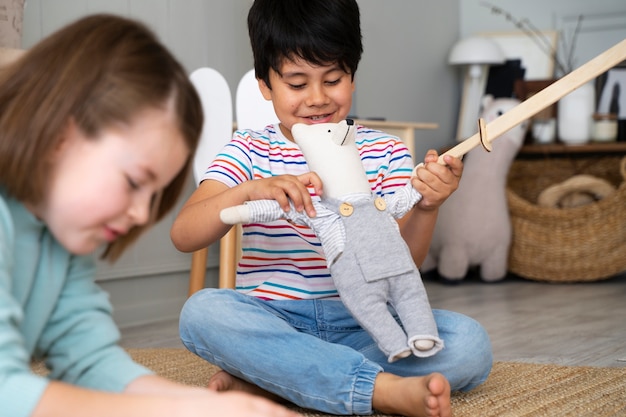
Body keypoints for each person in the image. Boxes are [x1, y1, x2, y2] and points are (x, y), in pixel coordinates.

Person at [172, 1, 493, 416]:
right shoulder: (248, 150)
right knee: (201, 313)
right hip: (274, 320)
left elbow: (402, 262)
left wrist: (428, 206)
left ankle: (277, 379)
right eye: (297, 83)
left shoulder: (386, 151)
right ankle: (376, 390)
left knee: (469, 344)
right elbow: (184, 234)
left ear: (352, 76)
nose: (318, 98)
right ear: (265, 85)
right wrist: (248, 191)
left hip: (366, 326)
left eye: (333, 79)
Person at [0, 14, 300, 417]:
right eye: (132, 180)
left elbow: (90, 361)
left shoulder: (58, 238)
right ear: (60, 134)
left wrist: (204, 404)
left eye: (155, 193)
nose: (142, 214)